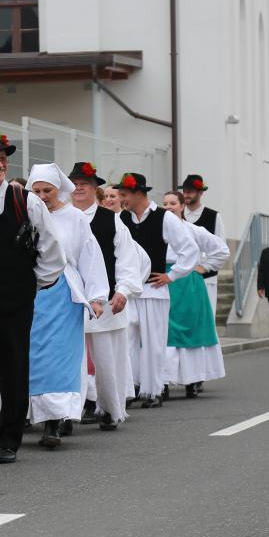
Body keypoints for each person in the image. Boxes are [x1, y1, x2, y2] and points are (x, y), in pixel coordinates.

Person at [0, 133, 64, 466]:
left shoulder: (26, 200)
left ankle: (9, 439)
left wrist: (33, 284)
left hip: (15, 298)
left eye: (2, 158)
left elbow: (52, 249)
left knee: (15, 365)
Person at [26, 164, 108, 448]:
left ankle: (55, 421)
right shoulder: (26, 213)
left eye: (47, 190)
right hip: (29, 293)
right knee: (32, 357)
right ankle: (32, 415)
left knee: (59, 358)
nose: (41, 196)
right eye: (36, 191)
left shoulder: (75, 218)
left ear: (58, 189)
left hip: (63, 292)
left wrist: (96, 297)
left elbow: (89, 255)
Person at [69, 162, 141, 430]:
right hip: (69, 300)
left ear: (94, 188)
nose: (79, 188)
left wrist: (123, 290)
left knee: (107, 358)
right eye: (75, 184)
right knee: (69, 359)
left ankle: (110, 408)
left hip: (107, 300)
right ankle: (66, 412)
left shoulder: (111, 220)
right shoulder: (61, 217)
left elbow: (127, 259)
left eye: (84, 184)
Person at [116, 172, 198, 406]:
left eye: (124, 194)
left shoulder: (165, 218)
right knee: (127, 341)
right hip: (128, 290)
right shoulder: (121, 218)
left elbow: (189, 250)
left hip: (153, 289)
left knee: (154, 342)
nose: (122, 199)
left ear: (138, 193)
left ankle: (154, 390)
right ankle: (130, 388)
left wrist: (171, 275)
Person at [161, 191, 230, 391]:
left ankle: (193, 378)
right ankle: (163, 380)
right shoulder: (158, 230)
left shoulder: (193, 229)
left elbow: (222, 250)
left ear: (182, 206)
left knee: (190, 331)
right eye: (165, 203)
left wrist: (204, 267)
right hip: (163, 282)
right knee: (163, 332)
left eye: (172, 203)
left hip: (188, 285)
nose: (168, 207)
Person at [180, 174, 226, 307]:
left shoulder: (214, 216)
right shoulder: (177, 216)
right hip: (181, 280)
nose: (186, 195)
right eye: (184, 191)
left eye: (190, 191)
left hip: (206, 279)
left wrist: (204, 267)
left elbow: (222, 250)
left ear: (200, 193)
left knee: (206, 316)